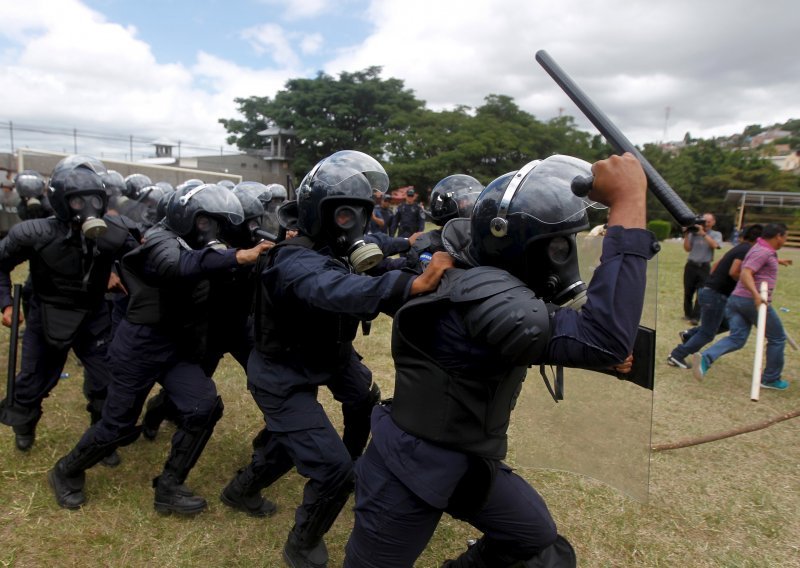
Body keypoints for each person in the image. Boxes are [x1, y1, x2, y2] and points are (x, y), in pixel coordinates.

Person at [343, 153, 658, 568]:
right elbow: (604, 341)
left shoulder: (493, 285)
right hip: (410, 464)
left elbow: (566, 338)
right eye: (561, 246)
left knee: (535, 541)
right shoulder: (487, 297)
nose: (567, 260)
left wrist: (597, 353)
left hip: (469, 459)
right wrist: (629, 200)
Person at [221, 150, 453, 568]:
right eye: (345, 215)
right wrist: (407, 285)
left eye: (360, 216)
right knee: (328, 470)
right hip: (281, 371)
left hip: (330, 356)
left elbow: (375, 250)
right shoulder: (291, 259)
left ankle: (345, 461)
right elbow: (330, 288)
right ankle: (300, 541)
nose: (355, 226)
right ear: (319, 213)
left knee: (363, 397)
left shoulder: (339, 246)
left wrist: (414, 244)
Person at [47, 183, 271, 514]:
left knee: (203, 406)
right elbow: (175, 265)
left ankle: (169, 486)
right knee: (118, 426)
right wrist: (237, 256)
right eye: (205, 222)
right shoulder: (159, 239)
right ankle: (65, 470)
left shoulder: (205, 247)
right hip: (139, 347)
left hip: (177, 347)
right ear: (187, 216)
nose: (211, 231)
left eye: (218, 224)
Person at [0, 157, 138, 455]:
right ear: (62, 201)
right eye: (78, 201)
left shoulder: (115, 232)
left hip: (93, 315)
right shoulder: (35, 234)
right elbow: (1, 264)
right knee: (34, 381)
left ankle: (100, 438)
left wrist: (120, 271)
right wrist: (6, 304)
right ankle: (25, 423)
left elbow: (146, 258)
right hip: (47, 312)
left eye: (94, 200)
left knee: (106, 380)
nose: (88, 207)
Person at [693, 223, 792, 390]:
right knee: (777, 338)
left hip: (737, 300)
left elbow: (758, 261)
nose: (785, 240)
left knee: (737, 338)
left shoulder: (760, 248)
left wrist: (778, 261)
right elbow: (746, 272)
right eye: (785, 237)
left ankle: (705, 358)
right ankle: (771, 379)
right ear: (779, 236)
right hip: (751, 301)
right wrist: (756, 295)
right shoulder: (763, 251)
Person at [667, 224, 763, 369]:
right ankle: (676, 355)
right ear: (760, 239)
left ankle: (690, 334)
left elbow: (716, 265)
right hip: (715, 295)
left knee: (726, 323)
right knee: (707, 333)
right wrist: (748, 283)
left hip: (712, 292)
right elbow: (733, 272)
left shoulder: (740, 248)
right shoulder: (747, 250)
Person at [405, 174, 482, 273]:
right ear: (447, 206)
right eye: (465, 200)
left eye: (474, 198)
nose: (471, 204)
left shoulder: (482, 237)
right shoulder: (428, 244)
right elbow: (422, 283)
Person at [682, 213, 722, 323]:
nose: (706, 224)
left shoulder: (716, 234)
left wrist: (703, 234)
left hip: (704, 266)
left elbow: (715, 246)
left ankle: (696, 317)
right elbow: (687, 249)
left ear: (713, 222)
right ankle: (687, 314)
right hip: (691, 265)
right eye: (704, 221)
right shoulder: (693, 233)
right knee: (688, 291)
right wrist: (686, 235)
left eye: (708, 221)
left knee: (701, 292)